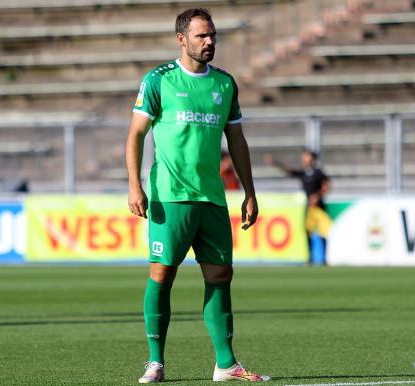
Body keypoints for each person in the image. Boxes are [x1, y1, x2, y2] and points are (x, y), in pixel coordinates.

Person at [126, 8, 270, 383]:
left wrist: (250, 192)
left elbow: (236, 140)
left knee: (221, 275)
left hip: (212, 198)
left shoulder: (224, 83)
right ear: (182, 39)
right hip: (169, 197)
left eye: (213, 36)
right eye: (202, 36)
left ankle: (226, 364)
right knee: (162, 273)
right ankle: (155, 361)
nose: (209, 42)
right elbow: (136, 135)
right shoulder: (158, 80)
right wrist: (134, 184)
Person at [265, 149, 330, 264]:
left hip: (319, 207)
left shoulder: (318, 173)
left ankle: (324, 258)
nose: (304, 159)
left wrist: (317, 196)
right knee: (307, 232)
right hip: (309, 208)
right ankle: (310, 257)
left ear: (312, 159)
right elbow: (289, 171)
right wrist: (275, 163)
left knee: (322, 232)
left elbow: (326, 186)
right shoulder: (303, 173)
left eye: (306, 157)